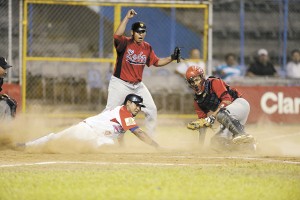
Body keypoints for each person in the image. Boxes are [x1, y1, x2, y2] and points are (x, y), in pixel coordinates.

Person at [105, 9, 180, 138]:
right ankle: (104, 136)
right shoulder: (124, 43)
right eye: (138, 32)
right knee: (110, 112)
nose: (141, 34)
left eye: (143, 31)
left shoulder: (147, 47)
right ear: (132, 33)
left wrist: (171, 57)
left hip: (137, 86)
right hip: (120, 83)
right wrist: (127, 18)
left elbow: (156, 62)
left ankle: (150, 139)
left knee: (151, 110)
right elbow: (117, 35)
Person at [18, 94, 161, 150]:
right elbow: (139, 133)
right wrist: (155, 145)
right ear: (128, 103)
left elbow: (120, 133)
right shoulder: (124, 112)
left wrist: (121, 147)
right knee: (55, 139)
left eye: (140, 106)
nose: (138, 108)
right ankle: (26, 146)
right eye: (136, 105)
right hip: (86, 130)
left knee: (107, 145)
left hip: (97, 136)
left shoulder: (125, 115)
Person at [185, 65, 255, 151]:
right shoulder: (197, 101)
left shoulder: (214, 82)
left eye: (196, 79)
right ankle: (249, 147)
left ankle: (242, 135)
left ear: (202, 77)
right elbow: (203, 124)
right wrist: (200, 146)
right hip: (228, 117)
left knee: (221, 114)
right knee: (216, 143)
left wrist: (213, 116)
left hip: (239, 105)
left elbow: (227, 100)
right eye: (192, 81)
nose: (195, 83)